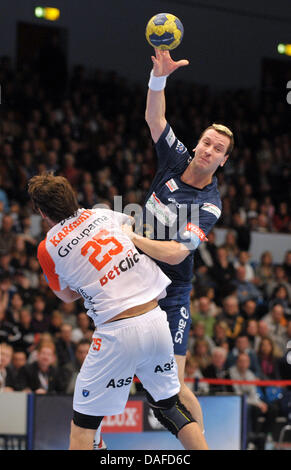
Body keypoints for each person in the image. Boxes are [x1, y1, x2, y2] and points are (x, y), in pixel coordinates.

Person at [27, 172, 208, 450]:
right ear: (72, 197)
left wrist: (90, 279)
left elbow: (65, 296)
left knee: (82, 427)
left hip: (117, 332)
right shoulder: (105, 215)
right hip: (156, 320)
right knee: (170, 410)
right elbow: (132, 226)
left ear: (41, 212)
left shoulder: (47, 247)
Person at [123, 48, 234, 436]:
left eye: (218, 150)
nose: (209, 150)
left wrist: (132, 237)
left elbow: (174, 251)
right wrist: (159, 77)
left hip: (171, 292)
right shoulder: (174, 157)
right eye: (207, 142)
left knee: (174, 385)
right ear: (198, 142)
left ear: (222, 162)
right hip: (135, 281)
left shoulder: (209, 205)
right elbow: (155, 117)